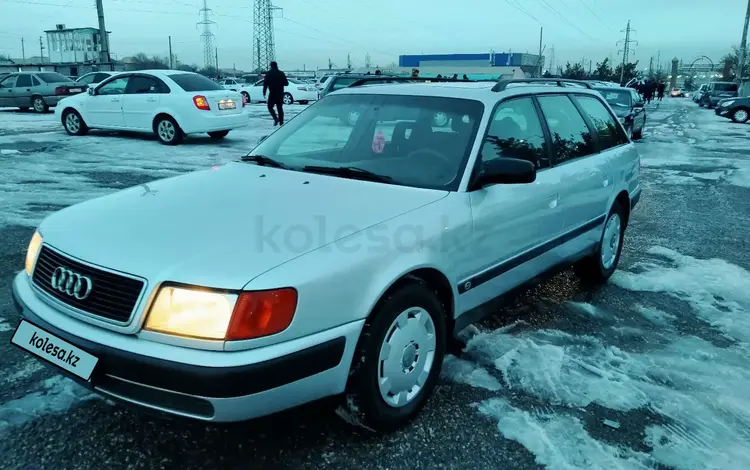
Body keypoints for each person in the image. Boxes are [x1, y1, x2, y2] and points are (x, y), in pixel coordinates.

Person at [262, 61, 289, 126]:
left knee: (270, 107)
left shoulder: (268, 74)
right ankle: (281, 122)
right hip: (280, 93)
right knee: (280, 108)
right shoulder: (281, 73)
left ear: (271, 66)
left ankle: (275, 118)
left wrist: (264, 92)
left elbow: (265, 84)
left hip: (272, 93)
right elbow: (286, 83)